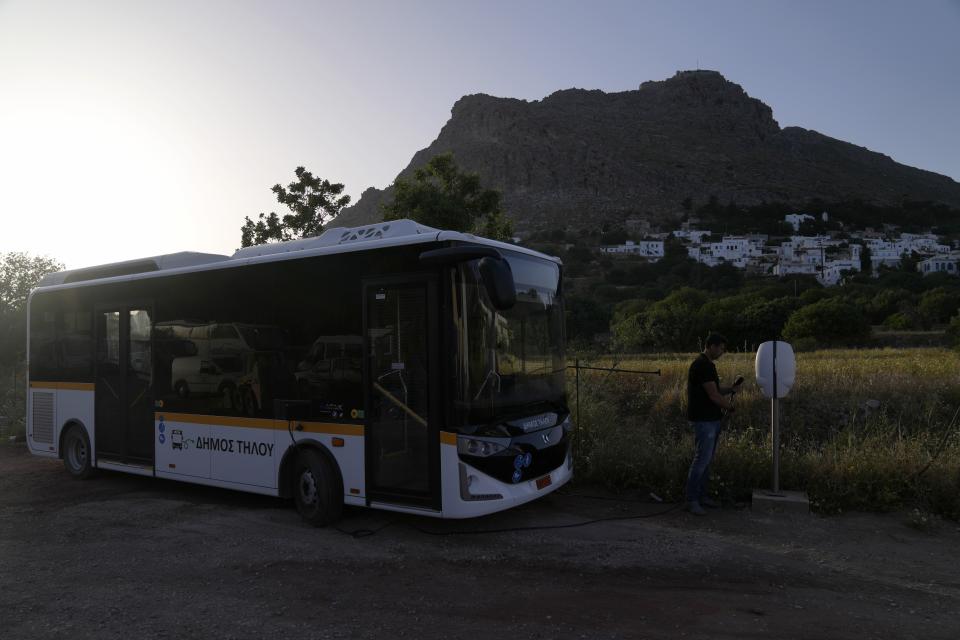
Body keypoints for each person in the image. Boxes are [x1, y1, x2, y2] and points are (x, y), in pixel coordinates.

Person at [685, 333, 742, 516]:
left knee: (706, 460)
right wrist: (730, 407)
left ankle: (702, 496)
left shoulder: (708, 365)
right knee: (701, 460)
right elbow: (713, 395)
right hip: (705, 420)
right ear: (711, 346)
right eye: (721, 349)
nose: (722, 352)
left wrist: (730, 389)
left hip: (712, 419)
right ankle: (692, 500)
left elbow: (715, 390)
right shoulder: (702, 365)